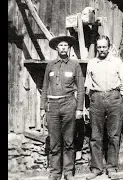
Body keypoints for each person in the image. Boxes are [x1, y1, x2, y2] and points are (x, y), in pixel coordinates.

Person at [40, 34, 85, 180]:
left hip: (68, 104)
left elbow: (81, 88)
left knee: (69, 140)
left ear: (69, 48)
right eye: (61, 46)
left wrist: (79, 108)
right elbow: (45, 87)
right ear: (56, 48)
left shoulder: (74, 65)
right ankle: (55, 173)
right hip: (52, 105)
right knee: (54, 141)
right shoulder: (50, 65)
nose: (63, 48)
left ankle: (68, 172)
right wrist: (42, 107)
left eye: (66, 45)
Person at [84, 35, 123, 180]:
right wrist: (89, 104)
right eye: (99, 47)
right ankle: (96, 168)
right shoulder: (92, 63)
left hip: (114, 97)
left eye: (104, 47)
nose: (101, 50)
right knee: (96, 135)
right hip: (97, 98)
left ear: (109, 47)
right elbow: (87, 85)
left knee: (114, 135)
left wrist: (118, 96)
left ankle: (112, 168)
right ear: (97, 48)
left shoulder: (117, 62)